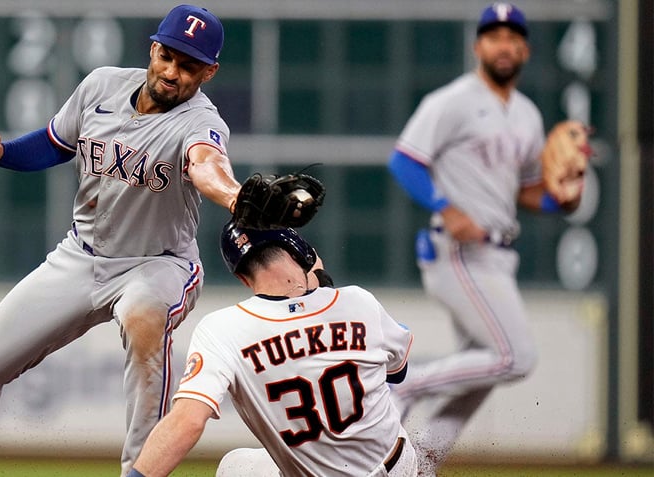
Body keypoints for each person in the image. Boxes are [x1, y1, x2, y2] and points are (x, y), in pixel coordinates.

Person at [0, 5, 241, 477]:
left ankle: (140, 472)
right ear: (153, 48)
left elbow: (208, 165)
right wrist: (0, 153)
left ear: (208, 71)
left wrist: (234, 197)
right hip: (81, 256)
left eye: (188, 66)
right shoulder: (102, 85)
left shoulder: (198, 123)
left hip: (158, 264)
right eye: (167, 56)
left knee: (143, 317)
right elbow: (53, 142)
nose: (172, 72)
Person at [387, 3, 582, 476]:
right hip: (457, 252)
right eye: (494, 36)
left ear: (526, 50)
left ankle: (422, 462)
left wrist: (562, 201)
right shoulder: (452, 100)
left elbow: (526, 190)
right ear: (478, 46)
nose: (504, 45)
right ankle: (403, 387)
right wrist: (446, 207)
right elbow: (405, 161)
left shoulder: (528, 116)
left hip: (497, 255)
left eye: (513, 38)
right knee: (515, 356)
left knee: (481, 372)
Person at [127, 221, 417, 477]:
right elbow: (398, 371)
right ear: (303, 254)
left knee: (235, 467)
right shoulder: (358, 302)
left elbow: (187, 420)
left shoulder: (223, 328)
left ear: (242, 277)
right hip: (400, 467)